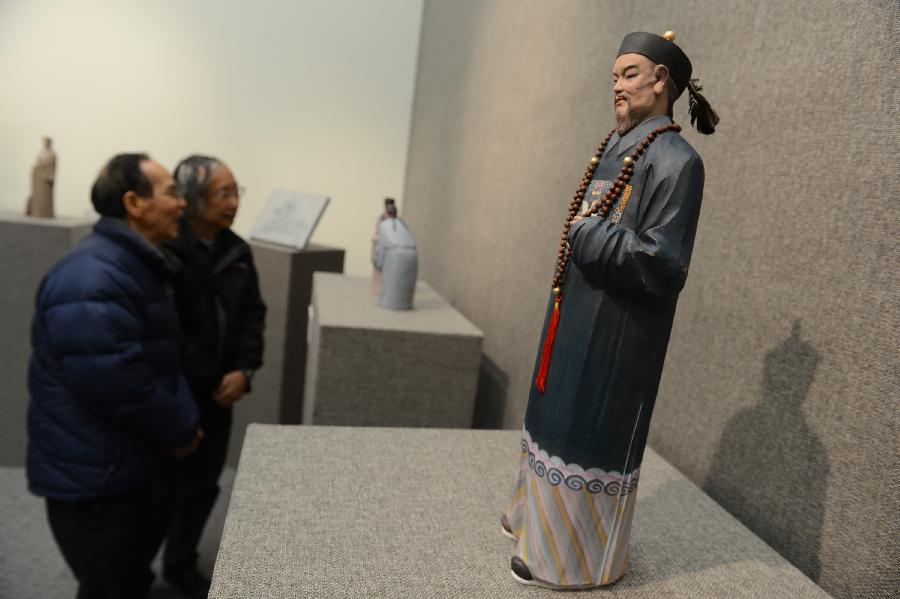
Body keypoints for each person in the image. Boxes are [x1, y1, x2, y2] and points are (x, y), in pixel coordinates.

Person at [501, 31, 719, 589]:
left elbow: (663, 265)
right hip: (574, 315)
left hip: (617, 333)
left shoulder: (677, 162)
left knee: (585, 427)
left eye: (628, 75)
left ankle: (565, 558)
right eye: (614, 78)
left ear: (661, 81)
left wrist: (590, 236)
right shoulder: (619, 148)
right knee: (549, 414)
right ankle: (529, 519)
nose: (616, 88)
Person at [27, 153, 202, 598]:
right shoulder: (92, 277)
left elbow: (156, 361)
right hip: (97, 484)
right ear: (134, 203)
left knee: (125, 579)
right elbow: (117, 383)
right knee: (109, 586)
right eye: (170, 193)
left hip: (119, 468)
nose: (182, 204)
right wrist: (180, 426)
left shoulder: (133, 264)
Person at [151, 154, 266, 598]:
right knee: (158, 488)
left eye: (238, 192)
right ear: (194, 199)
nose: (234, 202)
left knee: (202, 487)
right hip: (174, 393)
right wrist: (209, 377)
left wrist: (244, 371)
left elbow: (254, 315)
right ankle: (137, 571)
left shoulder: (238, 250)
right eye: (224, 193)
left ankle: (180, 565)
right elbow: (166, 330)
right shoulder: (164, 248)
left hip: (221, 395)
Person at [26, 135, 57, 217]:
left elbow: (53, 166)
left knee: (45, 198)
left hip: (46, 178)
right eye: (44, 142)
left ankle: (45, 213)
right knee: (38, 197)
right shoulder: (41, 152)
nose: (45, 143)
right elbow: (38, 163)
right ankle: (37, 212)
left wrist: (49, 175)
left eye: (47, 142)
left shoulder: (52, 154)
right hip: (39, 177)